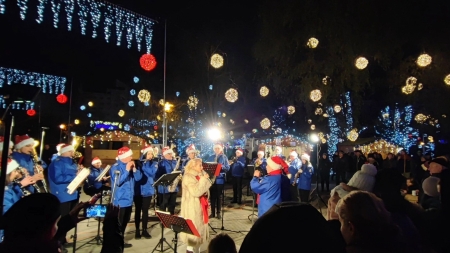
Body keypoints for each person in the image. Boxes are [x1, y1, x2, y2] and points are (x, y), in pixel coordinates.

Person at [47, 144, 79, 247]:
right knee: (62, 220)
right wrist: (75, 176)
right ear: (64, 152)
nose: (72, 153)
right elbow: (57, 178)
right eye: (70, 151)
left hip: (72, 194)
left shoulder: (72, 162)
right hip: (62, 194)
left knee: (68, 219)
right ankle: (57, 242)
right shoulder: (56, 163)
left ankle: (63, 239)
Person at [110, 146, 142, 248]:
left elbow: (138, 179)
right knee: (118, 224)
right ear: (124, 157)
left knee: (125, 222)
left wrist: (135, 170)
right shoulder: (115, 167)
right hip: (120, 201)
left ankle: (120, 241)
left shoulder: (130, 165)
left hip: (129, 200)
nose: (132, 157)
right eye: (130, 155)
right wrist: (127, 170)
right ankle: (115, 244)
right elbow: (117, 182)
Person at [180, 158, 212, 253]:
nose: (202, 167)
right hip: (192, 209)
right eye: (200, 165)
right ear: (193, 166)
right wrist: (203, 180)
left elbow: (205, 190)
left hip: (200, 207)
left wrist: (206, 193)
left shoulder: (199, 175)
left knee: (198, 237)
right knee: (193, 235)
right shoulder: (188, 177)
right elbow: (196, 192)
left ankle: (197, 251)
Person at [1, 159, 35, 242]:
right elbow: (10, 214)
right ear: (7, 174)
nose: (17, 173)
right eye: (15, 171)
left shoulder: (8, 187)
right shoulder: (4, 194)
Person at [134, 145, 157, 239]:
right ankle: (137, 230)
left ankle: (144, 230)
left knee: (145, 210)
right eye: (148, 153)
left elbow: (152, 173)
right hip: (138, 189)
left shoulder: (154, 163)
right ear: (144, 154)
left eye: (151, 153)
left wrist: (142, 167)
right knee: (137, 210)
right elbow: (136, 176)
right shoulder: (138, 162)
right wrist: (137, 166)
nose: (150, 155)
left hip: (148, 189)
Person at [205, 143, 230, 219]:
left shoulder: (224, 157)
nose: (217, 150)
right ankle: (212, 213)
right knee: (212, 197)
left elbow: (227, 168)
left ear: (221, 149)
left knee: (219, 196)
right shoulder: (211, 157)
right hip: (212, 179)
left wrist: (221, 166)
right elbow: (207, 167)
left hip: (219, 179)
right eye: (215, 149)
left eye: (218, 148)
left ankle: (218, 212)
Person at [155, 147, 179, 215]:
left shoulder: (175, 162)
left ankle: (171, 220)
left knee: (172, 205)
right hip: (164, 188)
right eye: (169, 153)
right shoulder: (161, 163)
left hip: (174, 187)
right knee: (163, 205)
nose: (171, 155)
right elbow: (157, 175)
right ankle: (163, 221)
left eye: (171, 153)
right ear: (165, 155)